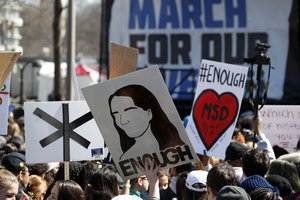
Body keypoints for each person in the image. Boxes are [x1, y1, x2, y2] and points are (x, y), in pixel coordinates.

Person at [108, 84, 185, 160]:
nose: (123, 121)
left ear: (149, 113)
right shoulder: (126, 158)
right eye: (116, 114)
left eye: (129, 111)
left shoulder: (178, 149)